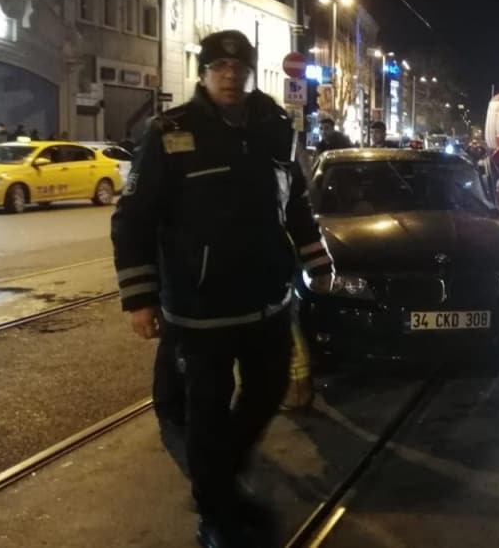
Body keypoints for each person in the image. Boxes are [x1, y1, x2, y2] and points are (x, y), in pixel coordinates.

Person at [111, 30, 335, 548]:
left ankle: (218, 480)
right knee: (208, 413)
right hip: (200, 308)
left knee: (268, 391)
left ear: (251, 74)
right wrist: (140, 298)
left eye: (239, 69)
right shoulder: (170, 132)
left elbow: (295, 201)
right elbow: (133, 218)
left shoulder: (274, 126)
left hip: (267, 299)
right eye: (219, 68)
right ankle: (216, 516)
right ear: (204, 73)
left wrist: (317, 259)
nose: (230, 76)